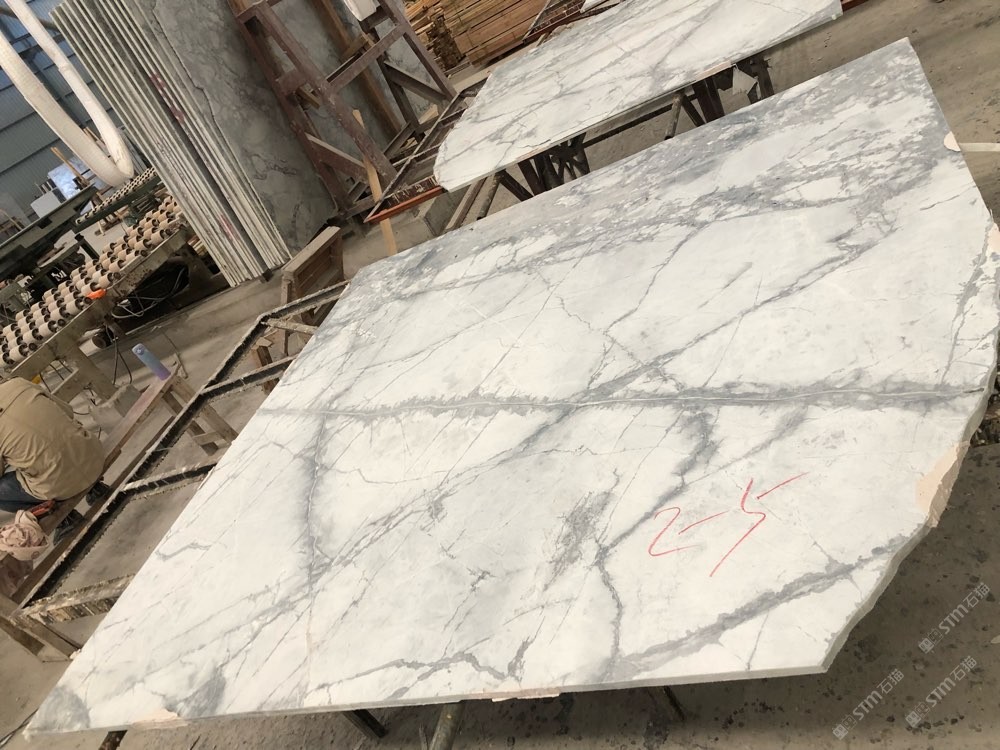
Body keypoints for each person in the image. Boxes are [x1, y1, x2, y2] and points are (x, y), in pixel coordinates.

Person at [0, 377, 104, 517]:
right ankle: (95, 488)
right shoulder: (19, 382)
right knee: (55, 448)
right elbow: (68, 411)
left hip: (60, 485)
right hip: (93, 453)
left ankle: (62, 517)